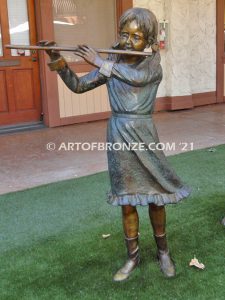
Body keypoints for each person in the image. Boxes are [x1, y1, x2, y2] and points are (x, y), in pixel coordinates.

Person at [40, 7, 191, 282]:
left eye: (136, 37)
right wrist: (58, 60)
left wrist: (100, 62)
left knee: (156, 195)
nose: (129, 42)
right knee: (126, 199)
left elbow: (136, 78)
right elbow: (78, 86)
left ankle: (163, 252)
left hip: (144, 133)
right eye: (124, 35)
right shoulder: (112, 64)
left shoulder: (151, 64)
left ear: (149, 40)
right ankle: (132, 257)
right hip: (119, 135)